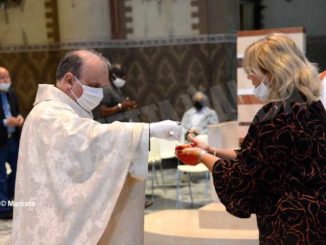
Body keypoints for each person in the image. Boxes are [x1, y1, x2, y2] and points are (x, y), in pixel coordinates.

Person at [12, 49, 182, 245]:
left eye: (102, 87)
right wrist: (148, 131)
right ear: (69, 80)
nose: (99, 94)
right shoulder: (48, 114)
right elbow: (87, 138)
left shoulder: (61, 110)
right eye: (94, 86)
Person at [175, 33, 326, 244]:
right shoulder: (312, 106)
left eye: (251, 72)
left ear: (271, 73)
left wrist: (200, 156)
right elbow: (258, 156)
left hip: (289, 224)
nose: (250, 79)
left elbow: (241, 179)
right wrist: (212, 150)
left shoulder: (274, 114)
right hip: (318, 217)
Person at [0, 66, 24, 219]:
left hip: (13, 140)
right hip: (0, 142)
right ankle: (3, 208)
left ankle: (6, 200)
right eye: (2, 78)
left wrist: (20, 117)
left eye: (7, 77)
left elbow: (18, 111)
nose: (5, 81)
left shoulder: (12, 93)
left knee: (17, 172)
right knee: (0, 176)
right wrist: (5, 122)